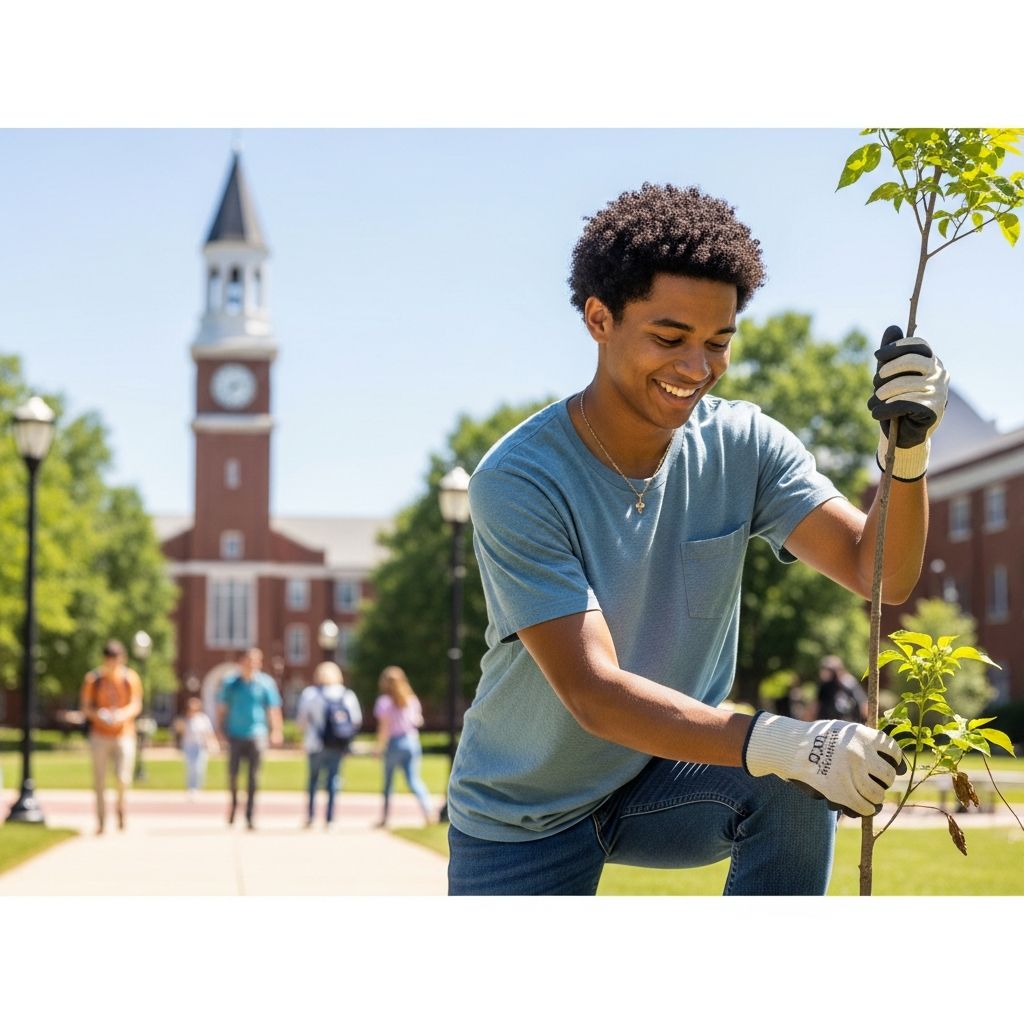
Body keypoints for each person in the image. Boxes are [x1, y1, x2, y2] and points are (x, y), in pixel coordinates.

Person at [445, 182, 949, 896]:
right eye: (670, 338)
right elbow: (594, 694)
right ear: (598, 318)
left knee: (792, 781)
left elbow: (881, 577)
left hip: (665, 777)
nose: (696, 369)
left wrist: (908, 454)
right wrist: (780, 739)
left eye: (718, 343)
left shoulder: (744, 445)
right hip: (523, 811)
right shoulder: (521, 478)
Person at [79, 639, 143, 834]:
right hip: (100, 734)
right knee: (99, 780)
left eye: (116, 658)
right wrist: (99, 715)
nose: (112, 662)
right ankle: (101, 820)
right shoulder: (94, 679)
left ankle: (121, 808)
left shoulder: (130, 678)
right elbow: (86, 707)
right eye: (109, 658)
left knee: (123, 777)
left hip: (124, 734)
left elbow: (136, 704)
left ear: (122, 658)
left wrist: (122, 715)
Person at [215, 647, 283, 829]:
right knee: (233, 775)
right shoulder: (231, 683)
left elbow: (273, 709)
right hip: (235, 734)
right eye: (250, 660)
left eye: (257, 660)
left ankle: (250, 814)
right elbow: (222, 708)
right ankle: (234, 804)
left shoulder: (266, 683)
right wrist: (219, 730)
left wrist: (276, 730)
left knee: (253, 777)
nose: (253, 664)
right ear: (241, 661)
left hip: (257, 734)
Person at [296, 661, 362, 829]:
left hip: (315, 743)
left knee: (313, 780)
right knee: (333, 779)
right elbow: (356, 720)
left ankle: (311, 816)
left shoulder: (310, 694)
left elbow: (301, 721)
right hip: (337, 744)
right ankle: (330, 818)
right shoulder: (347, 694)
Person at [374, 666, 433, 827]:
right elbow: (418, 721)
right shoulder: (411, 699)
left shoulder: (384, 702)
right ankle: (428, 812)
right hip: (412, 741)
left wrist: (378, 748)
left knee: (388, 783)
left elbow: (384, 729)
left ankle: (385, 818)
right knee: (414, 780)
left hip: (394, 743)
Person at [174, 696, 220, 799]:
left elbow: (209, 732)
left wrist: (213, 743)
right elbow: (179, 731)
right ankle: (190, 787)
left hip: (200, 745)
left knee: (199, 766)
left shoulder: (203, 719)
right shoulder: (185, 718)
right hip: (189, 745)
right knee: (190, 767)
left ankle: (197, 787)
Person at [815, 655, 869, 725]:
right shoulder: (824, 686)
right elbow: (817, 705)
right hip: (827, 725)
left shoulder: (849, 683)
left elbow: (863, 705)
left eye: (828, 670)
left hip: (847, 725)